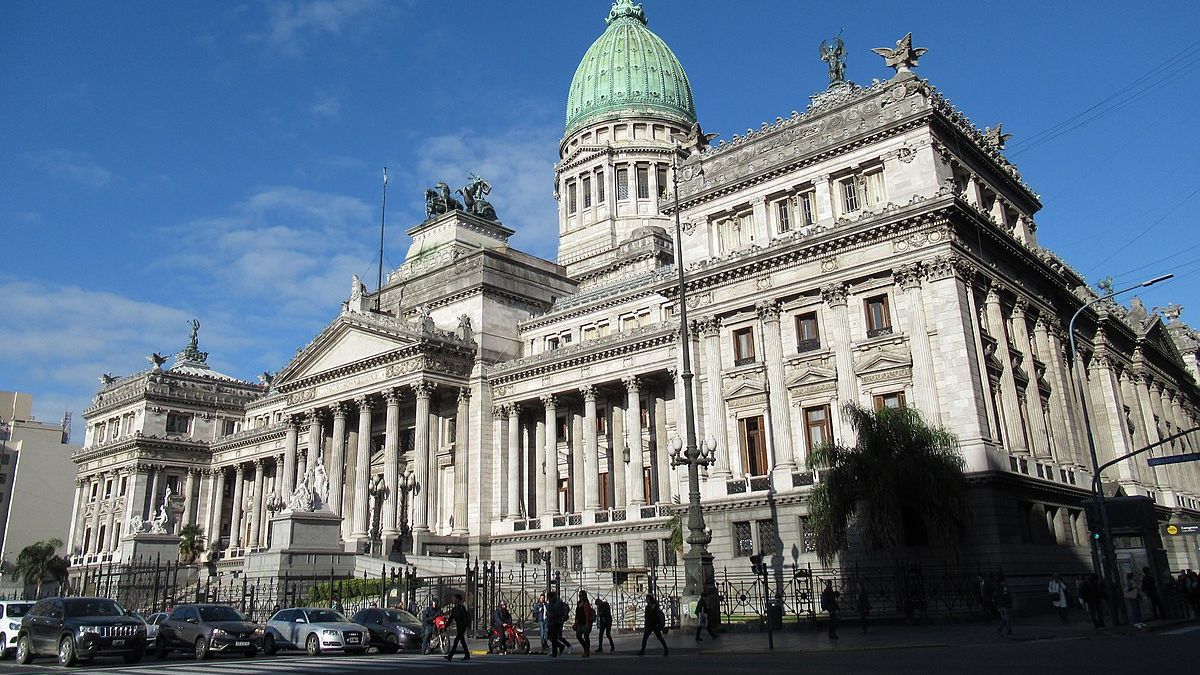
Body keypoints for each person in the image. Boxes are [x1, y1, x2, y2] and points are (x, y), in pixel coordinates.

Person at [445, 594, 470, 661]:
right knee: (462, 641)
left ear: (458, 599)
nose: (453, 600)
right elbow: (451, 618)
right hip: (458, 626)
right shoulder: (454, 609)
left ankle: (450, 656)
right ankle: (467, 655)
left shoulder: (462, 608)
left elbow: (466, 617)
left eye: (454, 598)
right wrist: (446, 626)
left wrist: (467, 625)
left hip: (462, 626)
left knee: (456, 641)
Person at [546, 591, 572, 657]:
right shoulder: (551, 603)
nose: (549, 599)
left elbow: (558, 613)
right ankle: (560, 646)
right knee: (550, 636)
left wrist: (553, 614)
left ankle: (555, 652)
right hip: (552, 622)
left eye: (550, 597)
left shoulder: (558, 603)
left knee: (554, 637)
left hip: (557, 622)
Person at [574, 591, 595, 657]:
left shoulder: (586, 604)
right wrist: (576, 622)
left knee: (586, 637)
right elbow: (577, 613)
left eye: (582, 595)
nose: (581, 597)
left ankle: (587, 651)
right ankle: (585, 648)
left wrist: (587, 623)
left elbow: (588, 614)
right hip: (580, 623)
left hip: (586, 623)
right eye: (580, 595)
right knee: (578, 636)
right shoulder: (578, 603)